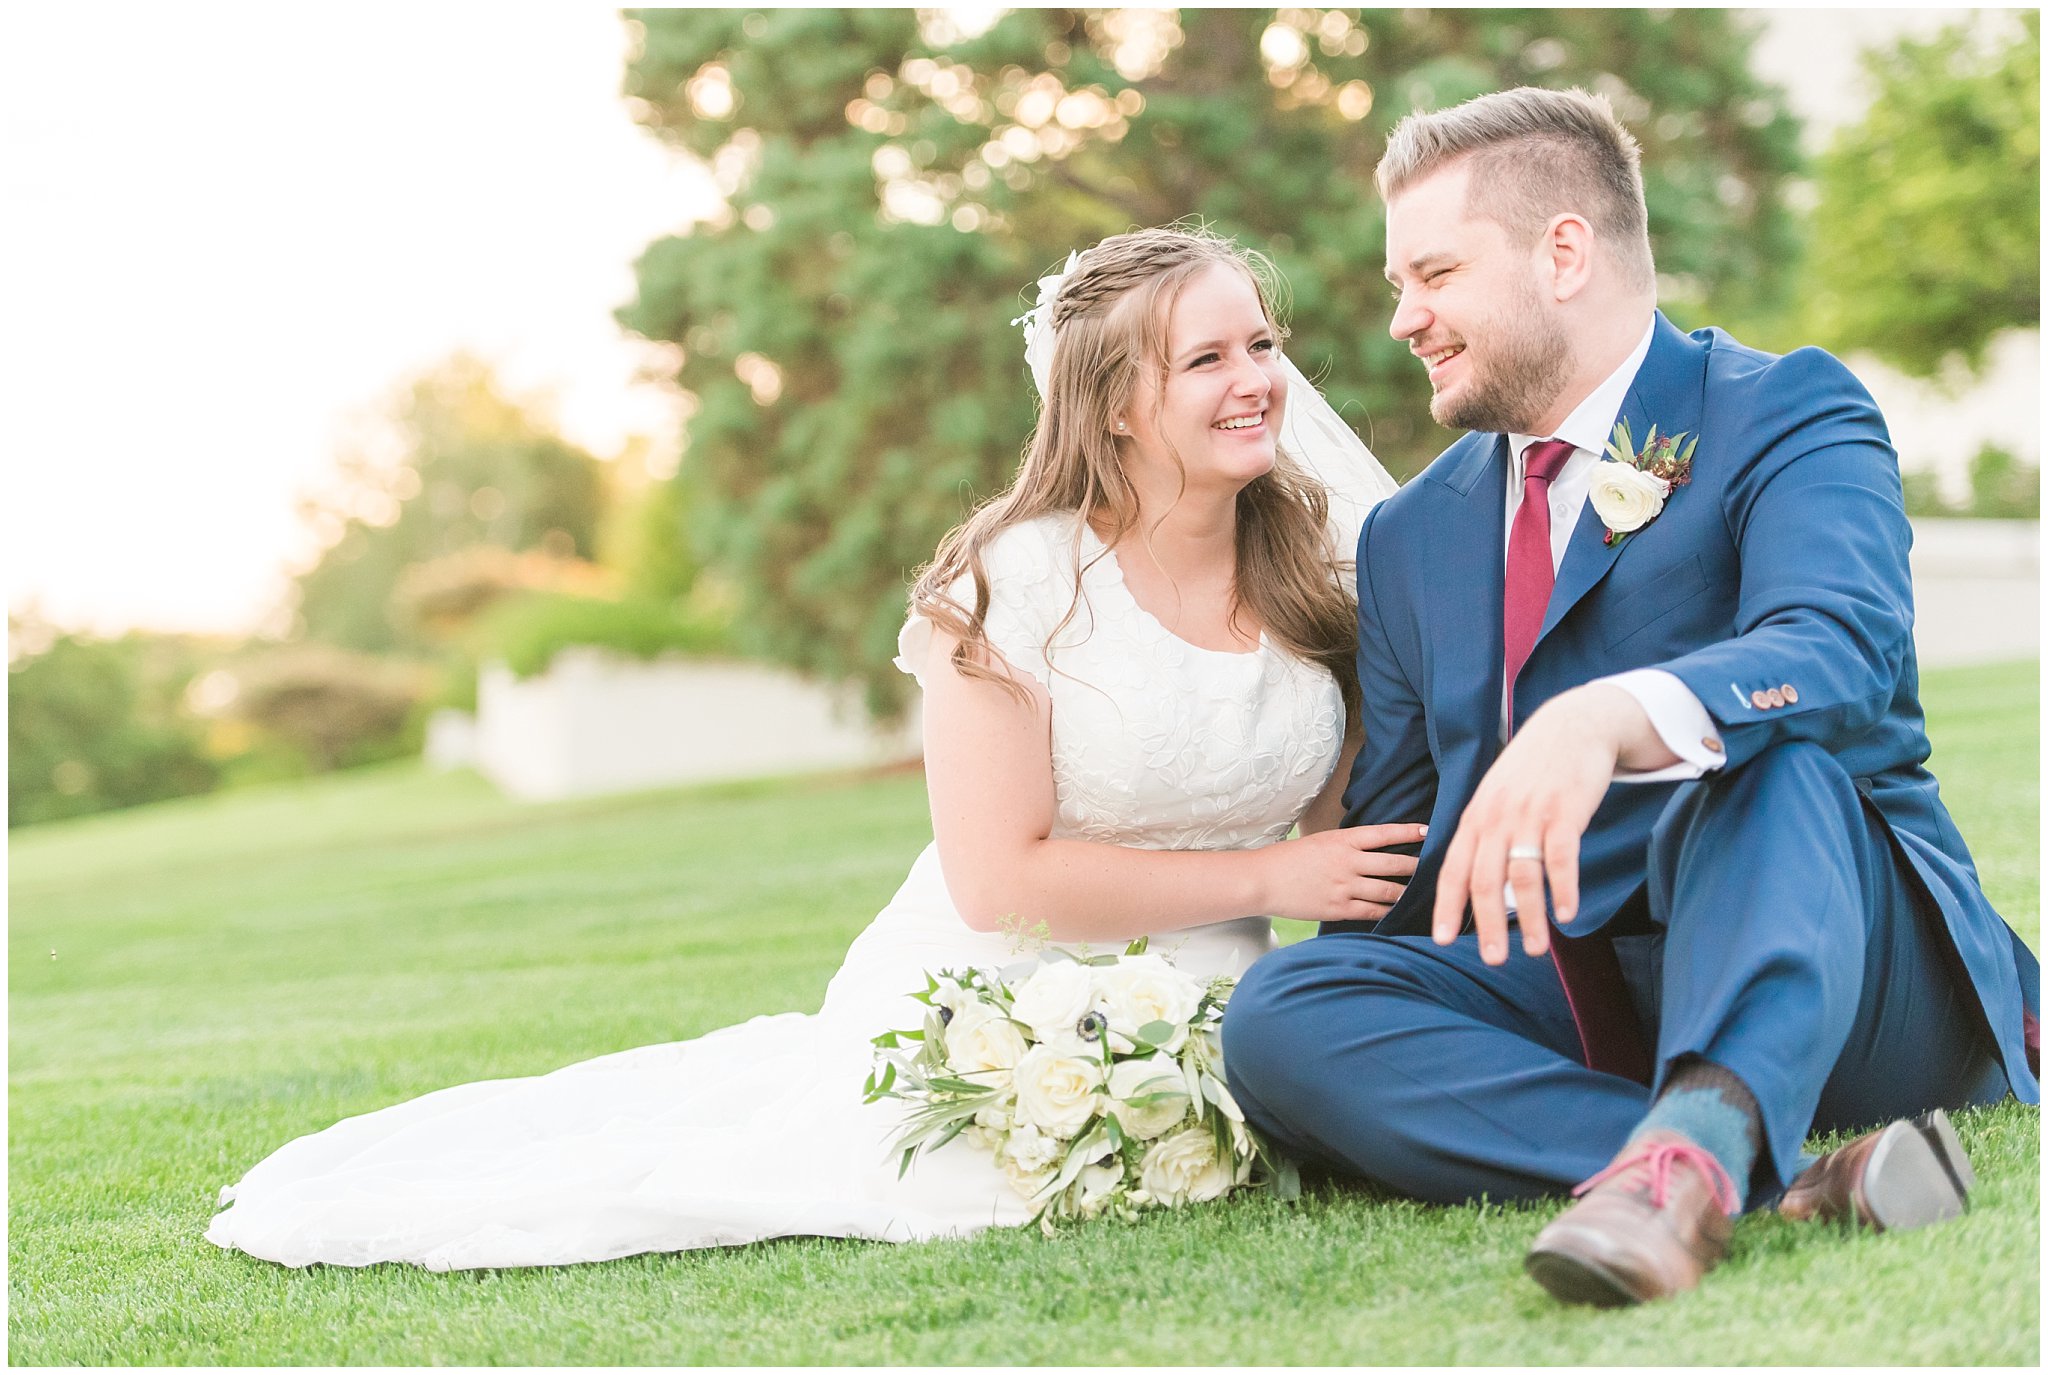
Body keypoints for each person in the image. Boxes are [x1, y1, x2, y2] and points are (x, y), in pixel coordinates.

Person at [204, 227, 1410, 1269]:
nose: (1256, 380)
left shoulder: (1319, 567)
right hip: (989, 983)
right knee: (940, 1174)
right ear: (1110, 403)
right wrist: (1270, 881)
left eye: (1259, 344)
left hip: (1222, 995)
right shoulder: (1010, 586)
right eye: (1206, 358)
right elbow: (1003, 881)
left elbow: (1344, 823)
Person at [1221, 86, 2041, 1309]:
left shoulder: (1784, 410)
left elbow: (1840, 648)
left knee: (1768, 760)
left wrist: (1604, 717)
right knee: (1281, 1010)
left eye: (1432, 274)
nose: (1403, 319)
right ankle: (1742, 1169)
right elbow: (1404, 848)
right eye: (1401, 284)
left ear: (1562, 251)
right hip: (1566, 987)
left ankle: (1699, 1146)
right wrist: (1366, 1038)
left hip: (1839, 963)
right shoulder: (1409, 536)